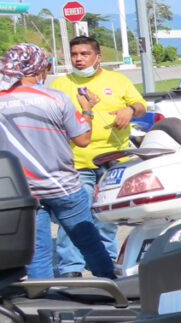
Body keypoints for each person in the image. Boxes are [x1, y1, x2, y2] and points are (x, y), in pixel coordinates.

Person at [0, 43, 114, 279]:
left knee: (37, 252)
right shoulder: (55, 98)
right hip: (63, 185)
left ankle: (42, 295)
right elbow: (82, 139)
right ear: (39, 67)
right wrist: (87, 110)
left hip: (22, 190)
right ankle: (110, 283)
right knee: (88, 241)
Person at [50, 35, 145, 276]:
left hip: (113, 161)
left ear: (98, 57)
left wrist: (130, 110)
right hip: (76, 162)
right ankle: (71, 267)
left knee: (106, 216)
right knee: (73, 216)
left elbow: (141, 105)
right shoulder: (60, 84)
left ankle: (105, 261)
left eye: (85, 54)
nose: (79, 59)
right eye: (74, 54)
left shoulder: (117, 80)